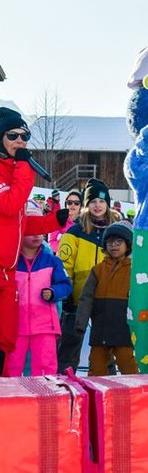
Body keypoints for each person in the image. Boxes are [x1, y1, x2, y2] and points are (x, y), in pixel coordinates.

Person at [0, 107, 68, 375]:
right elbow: (10, 204)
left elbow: (19, 223)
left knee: (5, 342)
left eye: (25, 136)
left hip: (7, 272)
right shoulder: (12, 172)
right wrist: (25, 167)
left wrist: (54, 221)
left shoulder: (14, 170)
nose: (21, 141)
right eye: (13, 135)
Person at [57, 178, 120, 373]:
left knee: (106, 349)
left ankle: (108, 388)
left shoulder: (117, 232)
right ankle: (64, 387)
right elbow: (63, 265)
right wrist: (66, 292)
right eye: (93, 201)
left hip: (108, 300)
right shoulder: (75, 232)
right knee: (69, 348)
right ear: (86, 205)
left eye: (102, 201)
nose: (98, 206)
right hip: (78, 300)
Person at [6, 203, 72, 376]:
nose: (36, 235)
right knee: (12, 368)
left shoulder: (52, 260)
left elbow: (65, 285)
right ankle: (12, 400)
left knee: (45, 369)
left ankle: (45, 401)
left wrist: (54, 292)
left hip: (44, 326)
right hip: (15, 326)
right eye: (31, 228)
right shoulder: (10, 261)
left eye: (40, 229)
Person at [75, 220, 138, 376]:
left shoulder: (134, 270)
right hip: (101, 327)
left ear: (128, 244)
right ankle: (97, 397)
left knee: (127, 363)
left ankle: (134, 396)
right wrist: (81, 323)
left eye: (119, 241)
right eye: (110, 242)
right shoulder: (98, 270)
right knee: (96, 366)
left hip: (123, 328)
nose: (114, 245)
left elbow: (141, 298)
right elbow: (86, 298)